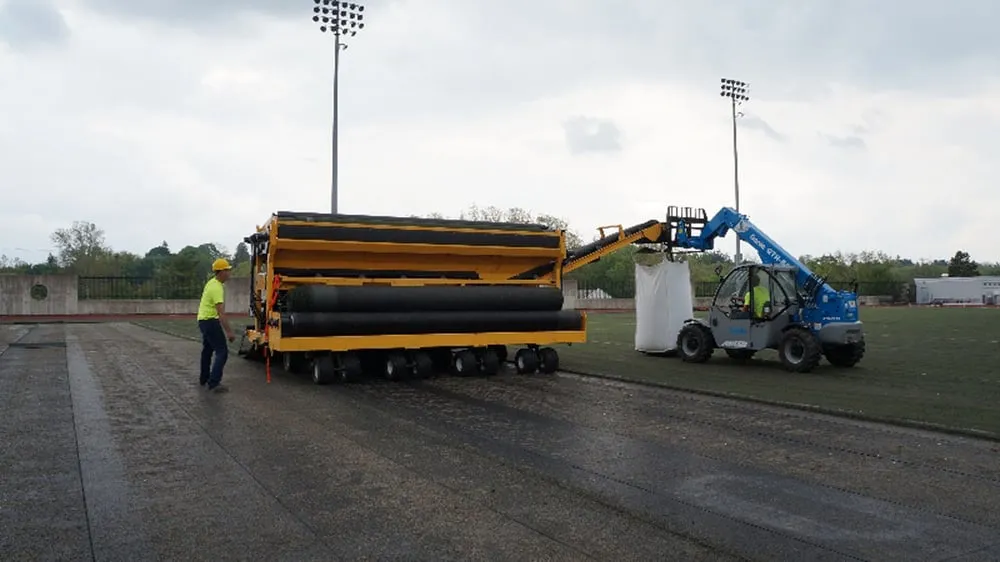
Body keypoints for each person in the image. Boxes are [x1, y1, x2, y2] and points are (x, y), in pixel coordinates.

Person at [198, 258, 236, 392]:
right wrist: (229, 332)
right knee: (222, 352)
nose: (229, 273)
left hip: (203, 320)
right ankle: (214, 382)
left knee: (207, 350)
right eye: (227, 270)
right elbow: (221, 313)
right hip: (210, 321)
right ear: (221, 272)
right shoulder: (217, 288)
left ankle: (204, 378)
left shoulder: (211, 283)